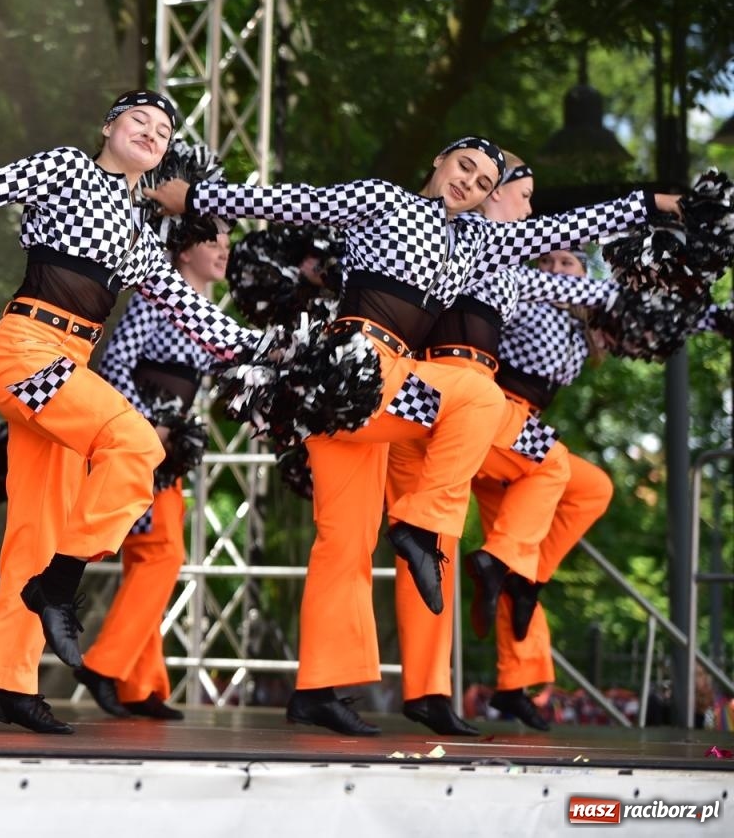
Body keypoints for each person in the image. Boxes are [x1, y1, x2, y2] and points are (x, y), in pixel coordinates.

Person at [147, 139, 675, 734]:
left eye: (480, 181)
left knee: (348, 537)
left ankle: (329, 683)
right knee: (466, 420)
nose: (469, 183)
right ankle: (439, 543)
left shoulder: (476, 243)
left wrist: (656, 205)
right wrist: (190, 196)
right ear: (438, 161)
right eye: (465, 169)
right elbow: (288, 201)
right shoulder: (382, 200)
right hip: (358, 370)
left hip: (391, 392)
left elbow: (576, 234)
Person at [0, 91, 264, 734]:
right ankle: (61, 584)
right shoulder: (67, 169)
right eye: (139, 121)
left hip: (70, 364)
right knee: (138, 445)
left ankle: (8, 683)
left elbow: (194, 313)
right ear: (109, 126)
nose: (152, 134)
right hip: (26, 351)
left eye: (163, 130)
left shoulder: (134, 229)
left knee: (36, 532)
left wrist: (271, 350)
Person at [385, 161, 618, 736]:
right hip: (463, 400)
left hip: (479, 414)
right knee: (547, 471)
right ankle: (500, 582)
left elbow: (590, 294)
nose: (532, 210)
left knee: (569, 496)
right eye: (524, 196)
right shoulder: (466, 243)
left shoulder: (513, 273)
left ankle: (514, 619)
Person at [73, 214, 231, 720]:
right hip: (140, 442)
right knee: (162, 553)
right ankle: (103, 665)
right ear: (184, 251)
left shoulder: (209, 310)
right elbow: (114, 361)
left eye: (228, 239)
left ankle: (139, 686)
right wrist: (147, 425)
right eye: (214, 239)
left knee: (150, 557)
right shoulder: (154, 296)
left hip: (167, 449)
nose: (225, 248)